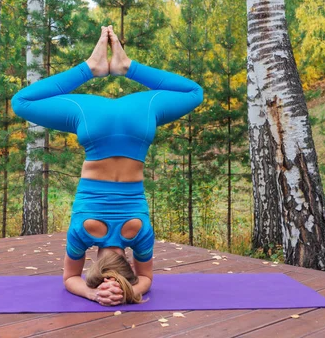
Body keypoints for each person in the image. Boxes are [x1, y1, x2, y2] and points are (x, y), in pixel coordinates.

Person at [11, 25, 203, 306]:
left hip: (139, 117)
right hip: (92, 119)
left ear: (128, 261)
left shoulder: (139, 232)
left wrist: (130, 291)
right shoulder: (82, 231)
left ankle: (125, 65)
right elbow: (69, 279)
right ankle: (94, 65)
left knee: (194, 93)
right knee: (22, 102)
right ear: (93, 263)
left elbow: (146, 278)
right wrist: (92, 292)